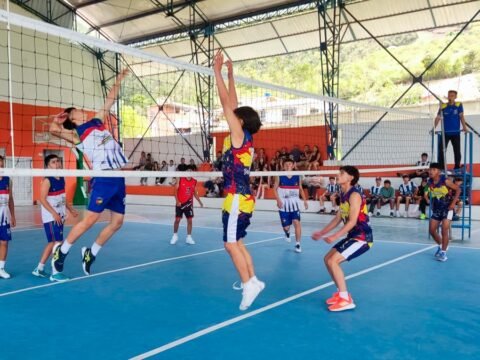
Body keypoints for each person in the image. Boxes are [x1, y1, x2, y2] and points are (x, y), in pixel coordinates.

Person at [49, 68, 129, 276]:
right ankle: (62, 251)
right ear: (71, 117)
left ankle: (91, 253)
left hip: (118, 177)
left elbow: (109, 100)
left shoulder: (96, 122)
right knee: (90, 220)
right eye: (76, 110)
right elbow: (53, 131)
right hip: (103, 178)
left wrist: (119, 79)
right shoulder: (77, 135)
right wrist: (56, 122)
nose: (80, 110)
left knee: (117, 222)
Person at [214, 51, 264, 311]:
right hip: (241, 197)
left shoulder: (238, 135)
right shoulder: (245, 136)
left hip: (237, 197)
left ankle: (248, 285)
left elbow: (225, 104)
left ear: (240, 121)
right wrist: (231, 75)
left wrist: (217, 71)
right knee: (238, 242)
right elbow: (232, 104)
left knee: (229, 243)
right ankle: (253, 279)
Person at [312, 166, 373, 312]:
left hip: (362, 237)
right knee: (327, 259)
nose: (337, 175)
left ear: (350, 177)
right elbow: (338, 218)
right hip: (353, 236)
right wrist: (322, 232)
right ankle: (341, 293)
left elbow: (352, 221)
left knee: (334, 261)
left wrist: (335, 236)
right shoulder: (343, 193)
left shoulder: (354, 195)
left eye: (341, 173)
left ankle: (346, 299)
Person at [33, 154, 78, 281]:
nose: (57, 164)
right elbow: (42, 199)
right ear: (48, 165)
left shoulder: (61, 178)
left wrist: (70, 209)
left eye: (58, 161)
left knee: (53, 242)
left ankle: (39, 269)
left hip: (60, 216)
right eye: (53, 162)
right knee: (58, 243)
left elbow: (62, 198)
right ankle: (55, 272)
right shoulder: (47, 180)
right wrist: (53, 213)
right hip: (51, 217)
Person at [273, 159, 308, 253]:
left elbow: (300, 189)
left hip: (295, 204)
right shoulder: (279, 176)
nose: (288, 165)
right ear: (283, 165)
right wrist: (278, 200)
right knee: (286, 227)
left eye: (290, 164)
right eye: (286, 164)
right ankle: (287, 232)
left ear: (293, 165)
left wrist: (305, 201)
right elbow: (274, 189)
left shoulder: (298, 176)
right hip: (283, 205)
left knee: (297, 222)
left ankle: (298, 244)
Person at [426, 163, 460, 262]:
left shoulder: (445, 181)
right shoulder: (430, 182)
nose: (431, 171)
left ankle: (443, 253)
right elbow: (434, 194)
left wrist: (453, 204)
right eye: (430, 169)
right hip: (437, 209)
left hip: (447, 209)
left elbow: (458, 190)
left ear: (439, 172)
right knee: (432, 230)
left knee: (444, 230)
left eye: (434, 169)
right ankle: (442, 245)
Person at [434, 90, 469, 170]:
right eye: (449, 95)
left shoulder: (459, 104)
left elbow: (461, 116)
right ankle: (442, 167)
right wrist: (433, 128)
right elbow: (438, 118)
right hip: (445, 133)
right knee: (442, 151)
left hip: (456, 133)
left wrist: (464, 127)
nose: (450, 97)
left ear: (455, 97)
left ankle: (457, 167)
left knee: (457, 151)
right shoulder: (443, 106)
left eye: (452, 96)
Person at [170, 175, 203, 245]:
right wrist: (177, 201)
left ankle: (189, 237)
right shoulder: (180, 179)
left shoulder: (194, 181)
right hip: (180, 204)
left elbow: (194, 192)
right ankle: (175, 236)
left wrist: (200, 202)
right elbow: (175, 191)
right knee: (177, 220)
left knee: (190, 221)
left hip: (189, 204)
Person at [0, 155, 15, 279]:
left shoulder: (7, 179)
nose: (0, 165)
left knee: (4, 242)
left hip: (4, 217)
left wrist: (13, 216)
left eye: (1, 163)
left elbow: (10, 199)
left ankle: (1, 268)